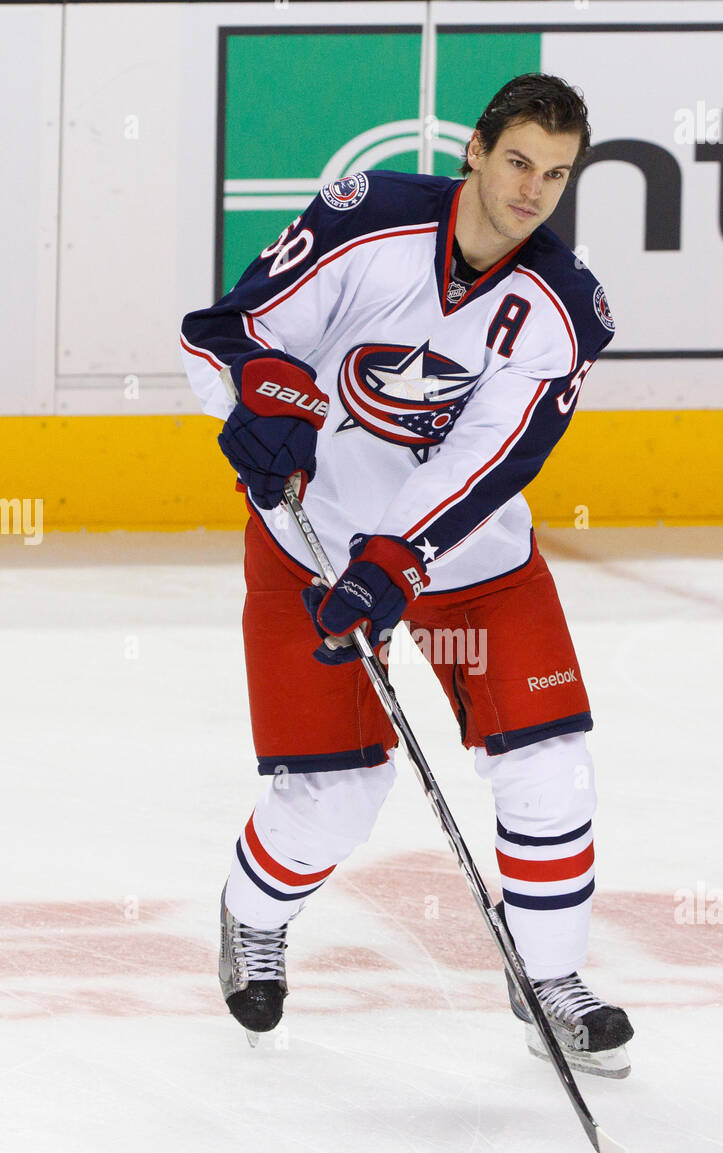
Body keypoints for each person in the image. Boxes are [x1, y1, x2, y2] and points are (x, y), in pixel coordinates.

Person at [181, 72, 633, 1078]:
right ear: (472, 150)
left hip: (469, 560)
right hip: (311, 540)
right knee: (332, 796)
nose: (530, 190)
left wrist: (396, 559)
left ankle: (548, 981)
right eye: (516, 160)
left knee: (549, 766)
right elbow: (230, 330)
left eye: (554, 175)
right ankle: (252, 918)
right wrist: (264, 402)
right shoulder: (368, 219)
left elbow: (492, 456)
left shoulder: (565, 310)